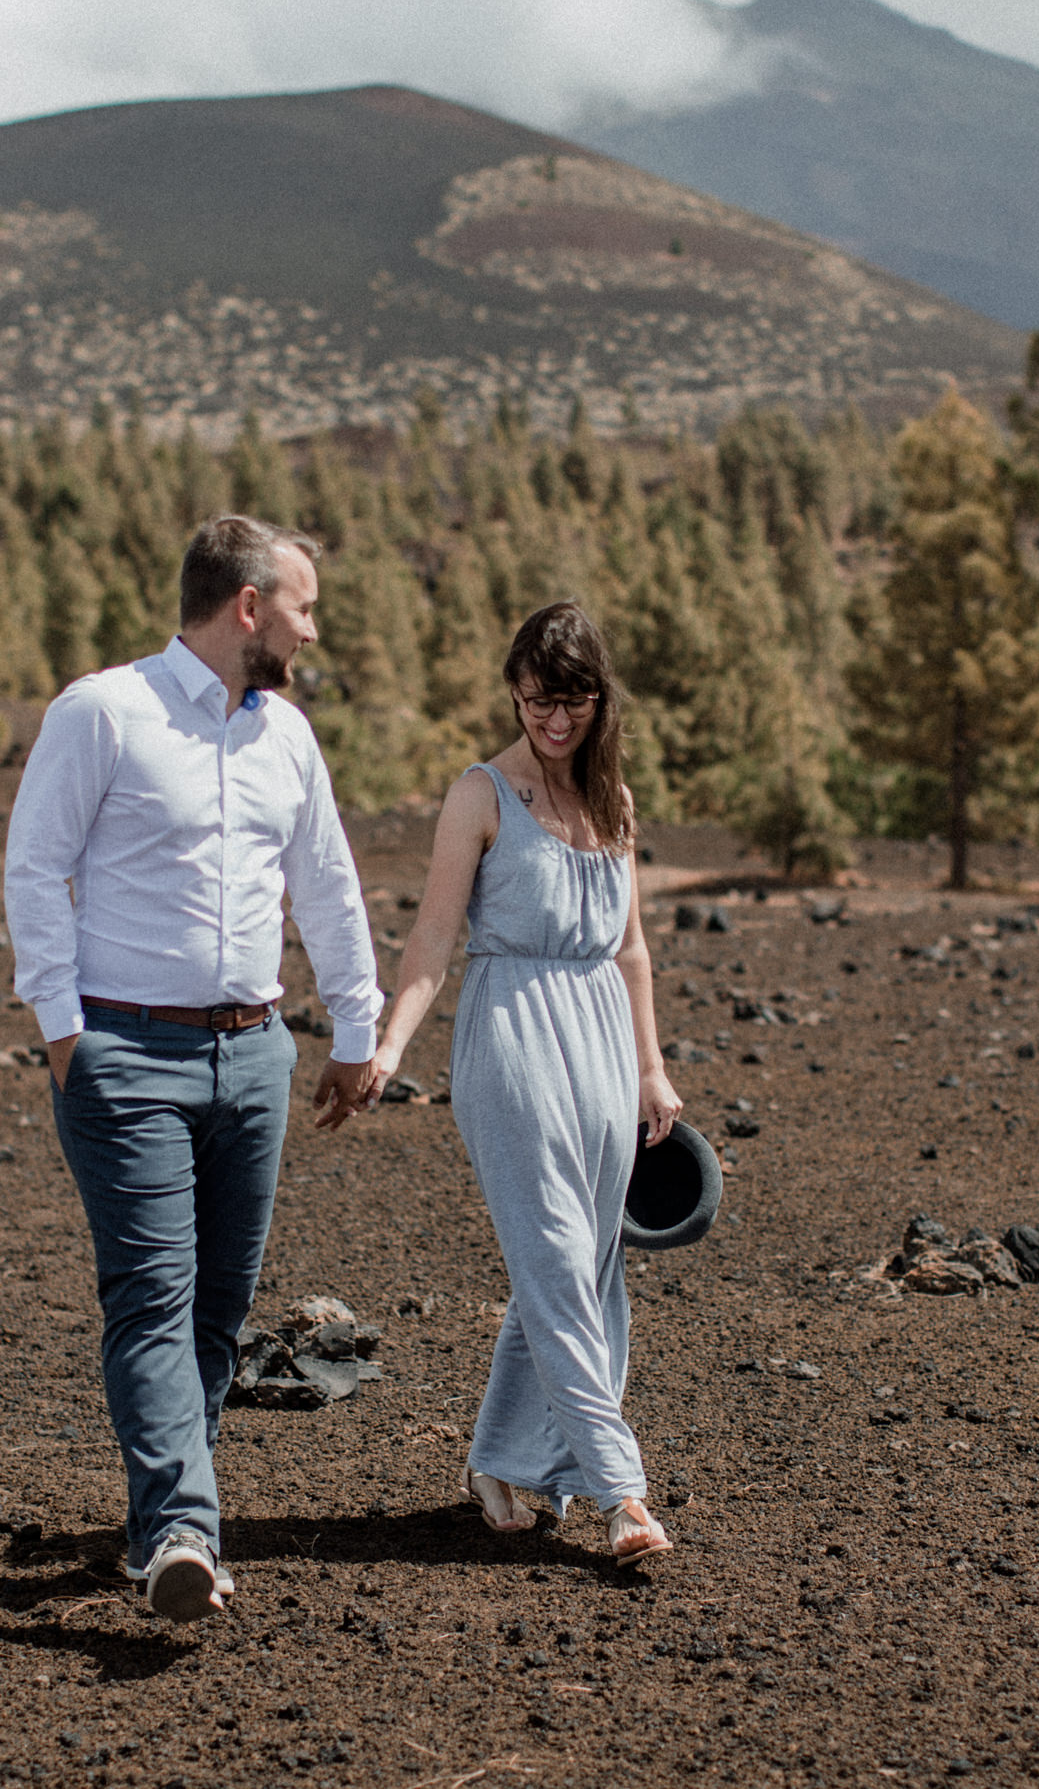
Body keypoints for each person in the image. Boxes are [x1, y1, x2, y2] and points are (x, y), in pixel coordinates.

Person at [4, 513, 386, 1621]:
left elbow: (327, 885)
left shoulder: (288, 739)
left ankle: (165, 1505)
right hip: (125, 1054)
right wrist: (65, 1032)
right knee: (153, 1298)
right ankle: (181, 1525)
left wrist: (351, 1034)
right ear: (250, 606)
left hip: (253, 1056)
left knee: (217, 1310)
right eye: (305, 608)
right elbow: (35, 868)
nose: (314, 632)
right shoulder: (102, 712)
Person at [361, 600, 681, 1561]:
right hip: (510, 1039)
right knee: (551, 1261)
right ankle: (620, 1491)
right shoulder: (481, 795)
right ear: (513, 690)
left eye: (574, 699)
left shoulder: (614, 802)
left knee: (581, 1266)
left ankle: (499, 1458)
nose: (555, 719)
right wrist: (388, 1046)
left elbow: (629, 951)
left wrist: (651, 1071)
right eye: (539, 699)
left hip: (598, 1045)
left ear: (598, 699)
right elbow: (433, 934)